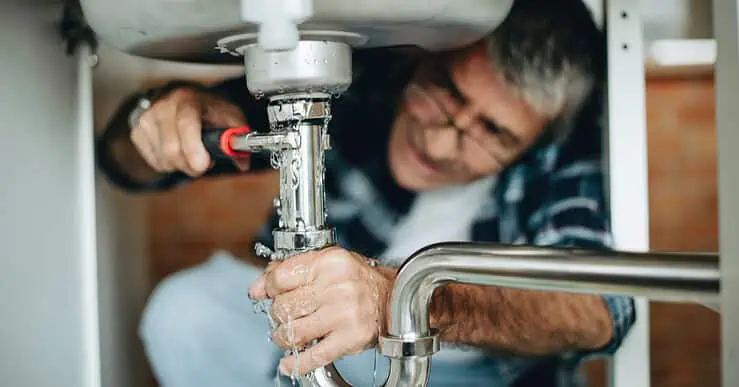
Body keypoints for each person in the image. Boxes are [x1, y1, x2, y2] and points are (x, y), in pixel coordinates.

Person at [96, 0, 635, 386]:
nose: (442, 141)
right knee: (185, 314)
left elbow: (598, 310)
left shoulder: (563, 145)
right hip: (312, 339)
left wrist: (403, 301)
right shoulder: (364, 80)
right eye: (445, 92)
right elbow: (124, 165)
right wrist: (158, 119)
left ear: (533, 140)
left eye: (492, 133)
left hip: (471, 365)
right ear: (424, 58)